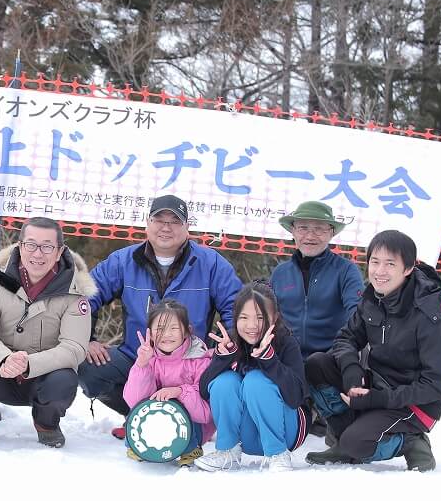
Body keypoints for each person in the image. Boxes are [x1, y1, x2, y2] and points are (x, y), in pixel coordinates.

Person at [81, 194, 242, 437]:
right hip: (139, 357)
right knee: (87, 367)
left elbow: (235, 306)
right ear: (147, 223)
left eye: (175, 221)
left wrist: (229, 345)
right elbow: (86, 295)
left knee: (225, 376)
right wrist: (86, 339)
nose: (166, 227)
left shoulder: (211, 263)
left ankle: (191, 423)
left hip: (191, 364)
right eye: (159, 220)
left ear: (187, 227)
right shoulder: (123, 261)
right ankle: (138, 415)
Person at [304, 230, 441, 472]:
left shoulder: (430, 318)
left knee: (356, 444)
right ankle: (344, 438)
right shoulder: (373, 298)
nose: (379, 271)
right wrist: (351, 371)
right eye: (375, 262)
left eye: (390, 264)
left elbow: (434, 386)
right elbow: (346, 338)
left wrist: (378, 398)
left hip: (414, 405)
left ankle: (410, 442)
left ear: (408, 268)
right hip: (378, 388)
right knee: (316, 365)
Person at [0, 217, 96, 448]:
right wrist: (4, 358)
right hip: (0, 371)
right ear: (20, 246)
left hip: (43, 378)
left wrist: (28, 364)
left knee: (64, 378)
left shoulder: (75, 291)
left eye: (47, 247)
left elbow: (74, 348)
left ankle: (46, 424)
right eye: (31, 245)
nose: (38, 253)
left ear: (59, 252)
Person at [193, 281, 310, 473]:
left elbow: (296, 398)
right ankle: (227, 451)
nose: (252, 325)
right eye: (244, 317)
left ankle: (278, 454)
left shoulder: (286, 342)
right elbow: (204, 391)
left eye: (260, 317)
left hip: (286, 431)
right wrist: (222, 358)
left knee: (255, 381)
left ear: (275, 318)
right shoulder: (230, 342)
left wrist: (270, 360)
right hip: (245, 436)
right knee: (224, 382)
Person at [270, 200, 363, 438]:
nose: (310, 236)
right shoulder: (280, 273)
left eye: (319, 229)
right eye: (303, 228)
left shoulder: (346, 270)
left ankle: (332, 414)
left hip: (328, 361)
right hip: (289, 359)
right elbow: (269, 317)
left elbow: (357, 313)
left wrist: (345, 352)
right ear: (293, 231)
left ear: (331, 233)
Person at [121, 299, 215, 465]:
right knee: (137, 414)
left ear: (187, 331)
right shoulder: (149, 358)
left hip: (194, 424)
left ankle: (190, 449)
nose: (167, 334)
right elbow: (134, 401)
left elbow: (205, 413)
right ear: (150, 333)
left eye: (174, 328)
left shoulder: (200, 360)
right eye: (160, 329)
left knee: (182, 410)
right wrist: (142, 365)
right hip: (160, 421)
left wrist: (179, 392)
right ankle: (142, 447)